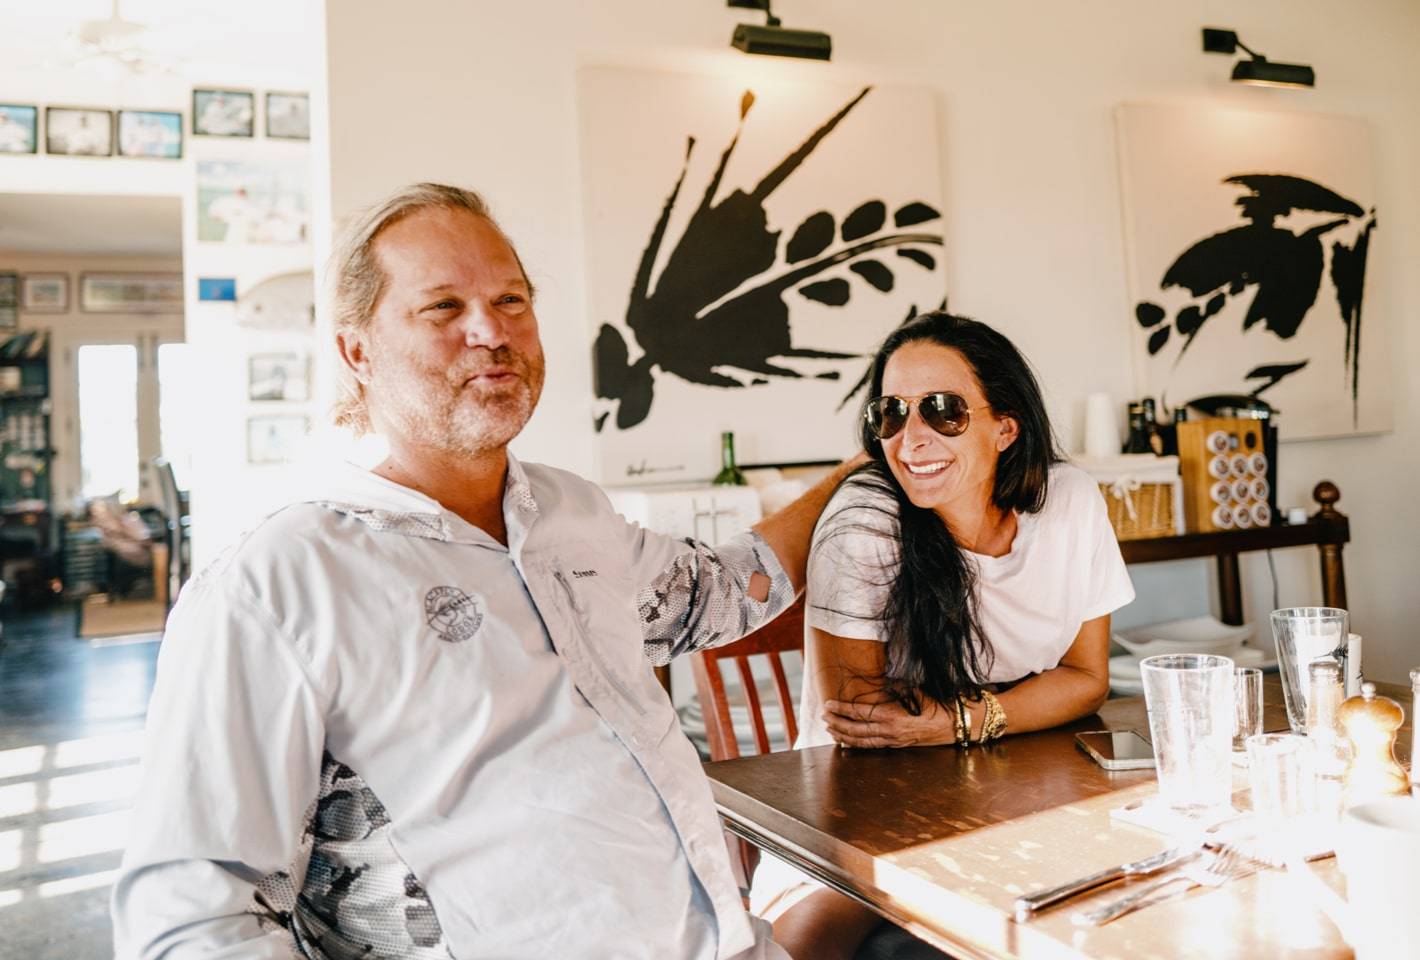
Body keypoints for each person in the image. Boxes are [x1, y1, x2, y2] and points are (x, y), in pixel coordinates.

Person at [112, 182, 860, 960]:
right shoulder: (279, 582)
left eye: (511, 300)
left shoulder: (571, 512)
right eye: (443, 307)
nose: (491, 331)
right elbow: (193, 922)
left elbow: (720, 589)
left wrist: (867, 471)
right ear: (356, 351)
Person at [751, 311, 1136, 960]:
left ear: (1005, 426)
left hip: (1019, 804)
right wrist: (1013, 710)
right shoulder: (866, 519)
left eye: (942, 411)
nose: (911, 438)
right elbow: (863, 726)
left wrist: (952, 721)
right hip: (857, 820)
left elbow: (1086, 678)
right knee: (812, 938)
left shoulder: (1070, 503)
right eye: (891, 415)